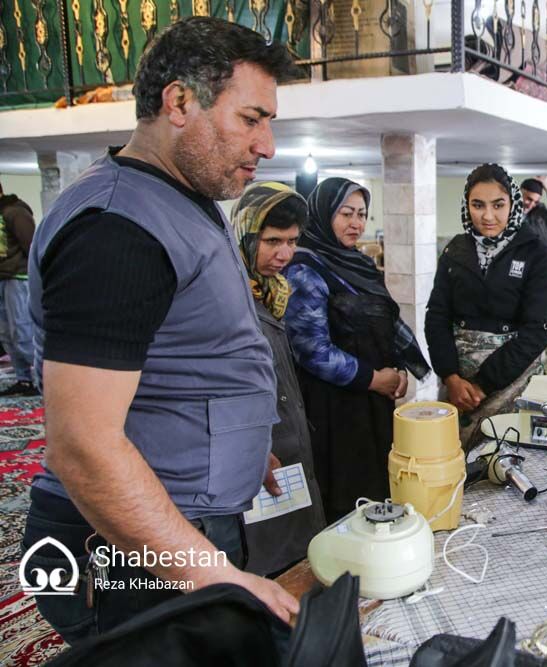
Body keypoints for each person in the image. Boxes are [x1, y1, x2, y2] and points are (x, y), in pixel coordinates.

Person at [21, 17, 300, 642]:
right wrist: (217, 576)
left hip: (176, 511)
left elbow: (186, 358)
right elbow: (84, 447)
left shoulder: (181, 198)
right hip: (120, 540)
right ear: (179, 102)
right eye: (252, 118)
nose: (268, 144)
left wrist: (241, 446)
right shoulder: (118, 232)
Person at [284, 177, 430, 522]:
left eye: (362, 214)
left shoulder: (358, 264)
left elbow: (383, 321)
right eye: (346, 213)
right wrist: (373, 378)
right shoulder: (306, 267)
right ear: (322, 215)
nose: (356, 223)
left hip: (373, 403)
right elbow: (311, 350)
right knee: (347, 496)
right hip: (334, 409)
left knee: (379, 483)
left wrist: (398, 370)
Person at [229, 182, 326, 577]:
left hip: (290, 440)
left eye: (291, 241)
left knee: (302, 556)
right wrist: (249, 442)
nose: (283, 254)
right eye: (271, 241)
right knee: (268, 563)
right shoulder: (227, 297)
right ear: (245, 234)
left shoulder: (271, 291)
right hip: (258, 451)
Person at [426, 163, 547, 446]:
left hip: (512, 381)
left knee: (504, 459)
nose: (487, 216)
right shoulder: (455, 250)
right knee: (452, 459)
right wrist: (450, 377)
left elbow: (538, 329)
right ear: (466, 206)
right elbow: (437, 315)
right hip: (457, 385)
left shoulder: (535, 252)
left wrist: (483, 384)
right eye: (477, 205)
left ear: (513, 204)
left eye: (498, 205)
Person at [0, 182, 37, 396]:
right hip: (3, 278)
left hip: (18, 278)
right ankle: (23, 380)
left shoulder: (15, 212)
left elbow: (32, 245)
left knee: (22, 330)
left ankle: (43, 379)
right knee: (7, 334)